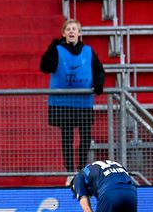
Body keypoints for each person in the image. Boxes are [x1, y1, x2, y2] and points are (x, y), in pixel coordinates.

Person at [40, 19, 106, 181]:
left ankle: (82, 170)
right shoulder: (57, 50)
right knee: (67, 137)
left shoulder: (89, 51)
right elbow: (45, 67)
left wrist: (98, 84)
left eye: (74, 29)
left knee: (85, 136)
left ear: (79, 33)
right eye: (68, 29)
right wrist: (50, 48)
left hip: (83, 101)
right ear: (64, 33)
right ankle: (70, 172)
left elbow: (99, 71)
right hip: (63, 102)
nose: (71, 32)